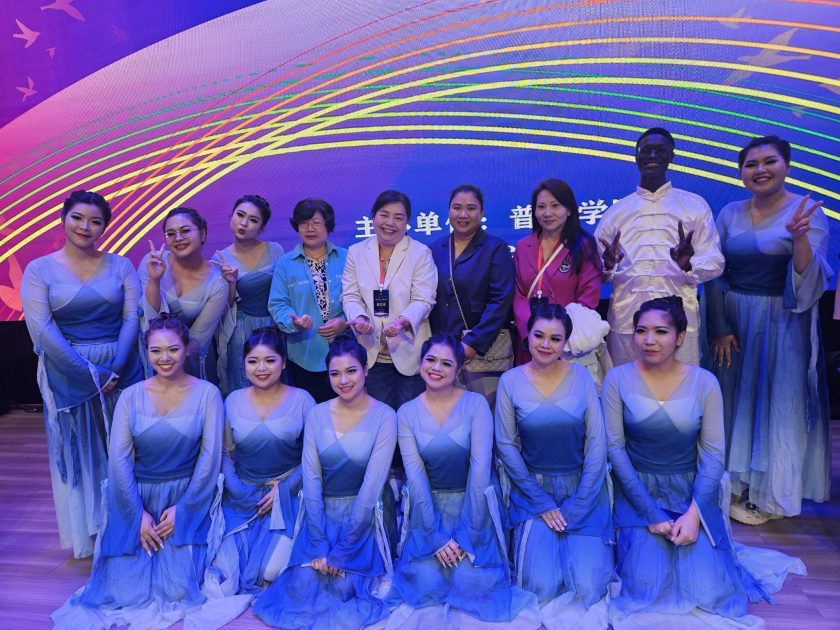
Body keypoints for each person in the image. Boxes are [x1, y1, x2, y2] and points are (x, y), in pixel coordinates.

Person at [602, 296, 804, 627]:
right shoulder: (617, 379)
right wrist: (649, 511)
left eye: (661, 331)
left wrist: (694, 515)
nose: (649, 340)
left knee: (710, 591)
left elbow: (712, 456)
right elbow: (615, 451)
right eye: (641, 331)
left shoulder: (704, 382)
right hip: (637, 491)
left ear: (680, 337)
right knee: (645, 586)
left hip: (691, 491)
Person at [52, 314, 249, 630]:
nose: (165, 358)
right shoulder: (130, 396)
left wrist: (184, 508)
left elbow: (210, 458)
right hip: (136, 498)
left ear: (186, 348)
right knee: (124, 592)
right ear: (146, 352)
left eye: (173, 349)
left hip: (187, 496)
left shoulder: (208, 393)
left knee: (179, 588)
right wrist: (137, 515)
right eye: (156, 351)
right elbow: (119, 462)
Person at [705, 136, 832, 525]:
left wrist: (799, 238)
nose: (760, 170)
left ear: (786, 166)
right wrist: (719, 325)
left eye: (769, 161)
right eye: (751, 164)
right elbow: (713, 271)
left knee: (777, 402)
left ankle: (771, 495)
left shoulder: (806, 213)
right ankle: (734, 483)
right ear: (741, 172)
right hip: (734, 320)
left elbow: (810, 281)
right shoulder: (730, 212)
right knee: (733, 400)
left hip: (783, 320)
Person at [21, 190, 143, 559]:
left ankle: (133, 525)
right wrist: (89, 373)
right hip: (67, 369)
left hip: (122, 366)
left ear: (105, 227)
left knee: (126, 448)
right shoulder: (38, 269)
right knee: (82, 452)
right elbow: (42, 330)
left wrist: (115, 368)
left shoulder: (122, 265)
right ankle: (94, 530)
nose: (85, 227)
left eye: (95, 221)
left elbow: (131, 319)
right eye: (77, 218)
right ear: (63, 219)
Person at [388, 334, 540, 628]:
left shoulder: (475, 404)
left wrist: (467, 534)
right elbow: (415, 477)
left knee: (474, 581)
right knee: (423, 580)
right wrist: (436, 536)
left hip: (474, 504)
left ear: (458, 369)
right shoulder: (406, 413)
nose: (436, 368)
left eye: (446, 363)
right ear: (421, 363)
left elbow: (480, 472)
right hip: (428, 507)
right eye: (431, 360)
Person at [253, 338, 397, 629]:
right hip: (321, 512)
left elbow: (371, 489)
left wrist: (343, 550)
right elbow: (312, 480)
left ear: (366, 370)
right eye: (335, 373)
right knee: (302, 586)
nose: (343, 381)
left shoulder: (385, 416)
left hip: (366, 515)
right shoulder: (317, 414)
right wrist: (318, 544)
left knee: (344, 587)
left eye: (351, 371)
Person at [495, 303, 614, 628]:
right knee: (540, 586)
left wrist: (581, 502)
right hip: (533, 491)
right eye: (539, 336)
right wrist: (541, 502)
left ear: (565, 343)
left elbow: (597, 443)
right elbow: (506, 446)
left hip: (582, 488)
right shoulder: (510, 381)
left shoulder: (582, 377)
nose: (545, 344)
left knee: (590, 586)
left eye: (555, 338)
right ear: (527, 334)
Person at [595, 127, 725, 366]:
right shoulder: (615, 213)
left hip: (679, 323)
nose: (652, 155)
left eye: (660, 150)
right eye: (646, 150)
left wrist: (689, 265)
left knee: (680, 387)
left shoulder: (694, 206)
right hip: (626, 323)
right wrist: (607, 266)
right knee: (626, 386)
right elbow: (597, 274)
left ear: (671, 156)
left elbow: (716, 263)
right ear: (636, 156)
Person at [205, 326, 315, 596]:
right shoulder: (232, 401)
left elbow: (314, 457)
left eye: (270, 360)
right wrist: (237, 488)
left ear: (283, 362)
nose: (261, 368)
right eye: (253, 361)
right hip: (243, 497)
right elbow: (224, 452)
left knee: (270, 573)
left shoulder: (302, 400)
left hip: (288, 495)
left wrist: (286, 488)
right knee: (223, 575)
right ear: (244, 364)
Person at [342, 189, 437, 411]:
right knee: (380, 418)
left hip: (410, 350)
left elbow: (424, 298)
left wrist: (404, 320)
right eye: (384, 215)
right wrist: (359, 318)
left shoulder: (420, 253)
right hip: (371, 350)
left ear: (407, 222)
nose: (390, 223)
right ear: (373, 217)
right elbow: (350, 295)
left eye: (398, 217)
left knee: (410, 418)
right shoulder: (356, 252)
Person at [429, 185, 515, 407]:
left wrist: (473, 343)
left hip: (483, 353)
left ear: (482, 212)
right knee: (448, 417)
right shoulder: (435, 249)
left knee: (486, 414)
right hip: (442, 354)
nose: (463, 214)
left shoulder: (495, 248)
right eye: (457, 208)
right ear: (449, 210)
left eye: (471, 208)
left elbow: (500, 301)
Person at [269, 198, 348, 402]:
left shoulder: (347, 258)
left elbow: (360, 299)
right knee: (311, 410)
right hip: (304, 353)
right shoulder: (286, 263)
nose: (310, 228)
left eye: (316, 223)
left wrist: (345, 322)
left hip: (345, 350)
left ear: (328, 225)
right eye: (304, 223)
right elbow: (278, 303)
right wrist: (293, 321)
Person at [139, 207, 228, 384]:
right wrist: (154, 280)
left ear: (202, 234)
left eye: (185, 231)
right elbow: (149, 320)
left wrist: (168, 362)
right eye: (171, 234)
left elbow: (198, 338)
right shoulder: (152, 262)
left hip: (192, 360)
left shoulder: (217, 283)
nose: (178, 238)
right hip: (154, 356)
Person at [213, 195, 284, 396]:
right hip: (240, 329)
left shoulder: (275, 250)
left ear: (261, 227)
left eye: (253, 220)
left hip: (274, 326)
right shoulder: (220, 258)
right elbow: (224, 308)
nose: (244, 223)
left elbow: (285, 292)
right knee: (244, 386)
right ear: (231, 216)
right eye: (240, 215)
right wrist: (231, 284)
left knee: (276, 385)